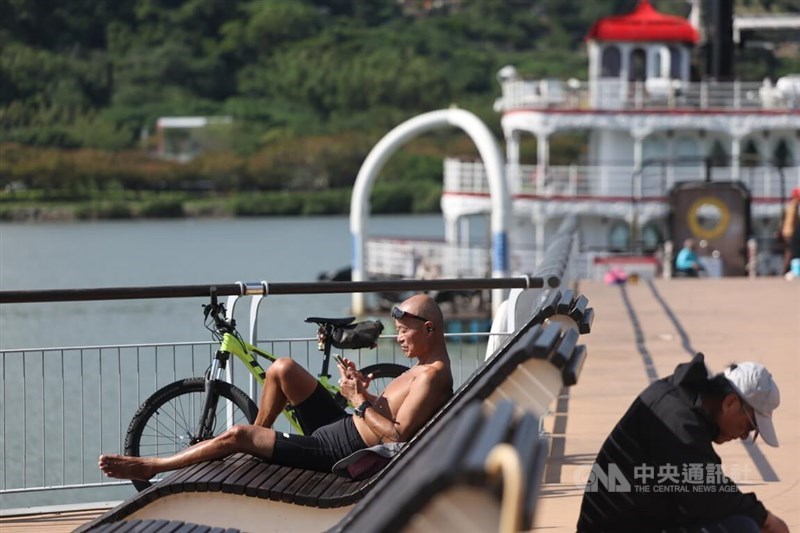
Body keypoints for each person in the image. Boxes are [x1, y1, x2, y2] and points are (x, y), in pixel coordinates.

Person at [99, 294, 453, 481]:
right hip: (343, 426)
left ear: (429, 329)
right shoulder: (422, 368)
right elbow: (391, 413)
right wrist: (364, 392)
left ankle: (153, 466)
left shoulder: (432, 376)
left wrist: (359, 401)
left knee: (238, 434)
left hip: (336, 451)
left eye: (404, 331)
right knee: (283, 369)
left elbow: (397, 437)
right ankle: (258, 442)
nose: (398, 338)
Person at [577, 353, 789, 533]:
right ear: (730, 403)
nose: (743, 436)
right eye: (749, 426)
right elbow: (709, 495)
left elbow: (706, 488)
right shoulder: (678, 420)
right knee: (741, 528)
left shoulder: (680, 400)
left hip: (633, 522)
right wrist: (765, 519)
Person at [780, 187, 800, 278]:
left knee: (790, 251)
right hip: (790, 233)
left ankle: (787, 270)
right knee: (791, 251)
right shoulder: (794, 206)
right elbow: (792, 221)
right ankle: (787, 270)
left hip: (788, 232)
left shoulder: (792, 205)